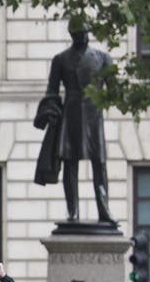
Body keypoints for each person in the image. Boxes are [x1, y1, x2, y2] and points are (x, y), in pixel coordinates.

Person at [34, 21, 115, 224]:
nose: (83, 36)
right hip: (70, 114)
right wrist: (50, 110)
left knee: (99, 163)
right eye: (78, 33)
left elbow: (115, 90)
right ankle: (73, 211)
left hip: (93, 114)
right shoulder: (60, 60)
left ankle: (104, 209)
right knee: (70, 163)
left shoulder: (103, 58)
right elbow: (51, 90)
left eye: (85, 32)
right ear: (72, 34)